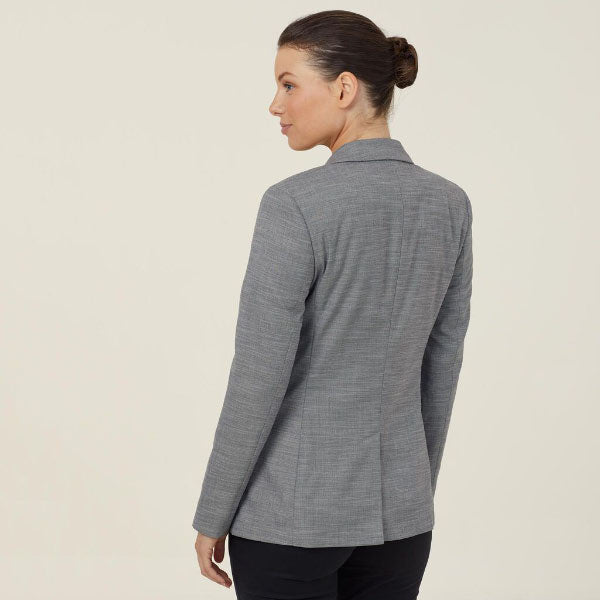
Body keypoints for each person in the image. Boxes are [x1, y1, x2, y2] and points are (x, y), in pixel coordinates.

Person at [193, 9, 473, 600]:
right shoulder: (449, 204)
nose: (275, 105)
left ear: (344, 88)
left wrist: (213, 512)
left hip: (290, 519)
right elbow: (441, 367)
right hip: (401, 519)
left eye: (289, 84)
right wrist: (414, 490)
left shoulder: (294, 205)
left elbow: (259, 373)